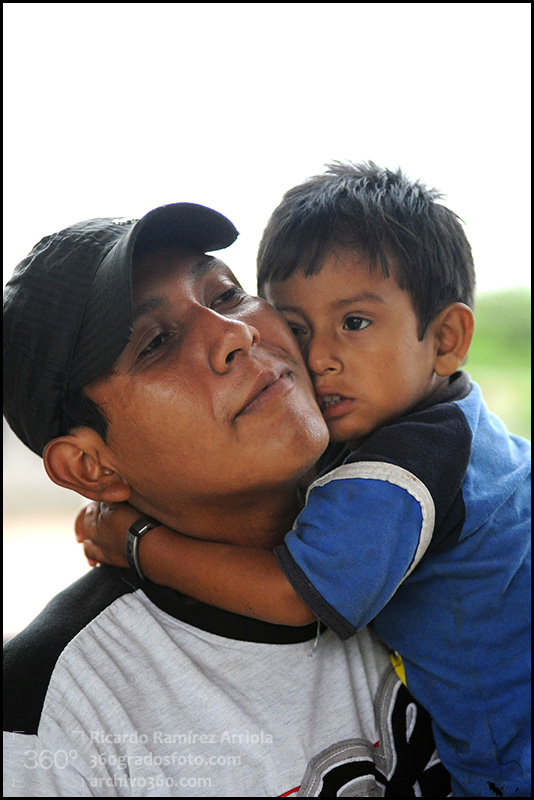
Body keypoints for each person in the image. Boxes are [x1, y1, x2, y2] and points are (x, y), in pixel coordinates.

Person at [77, 164, 531, 798]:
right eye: (296, 327)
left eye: (354, 323)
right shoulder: (456, 422)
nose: (317, 358)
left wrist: (134, 541)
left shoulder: (407, 461)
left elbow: (293, 596)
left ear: (446, 339)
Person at [3, 202, 452, 797]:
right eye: (157, 342)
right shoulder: (58, 713)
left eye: (224, 295)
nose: (236, 334)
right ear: (90, 466)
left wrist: (137, 543)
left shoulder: (446, 508)